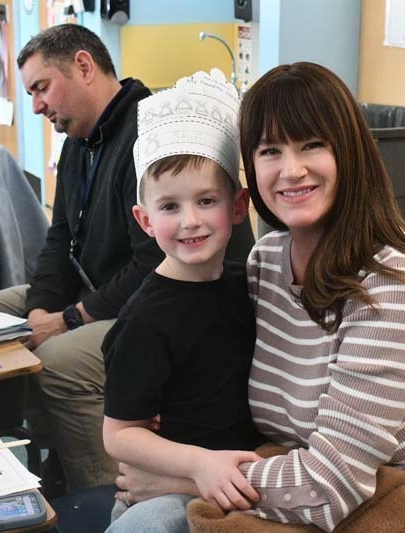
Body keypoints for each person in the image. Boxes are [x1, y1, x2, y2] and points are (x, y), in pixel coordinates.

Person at [114, 62, 405, 533]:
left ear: (350, 151)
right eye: (270, 150)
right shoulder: (266, 262)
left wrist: (186, 478)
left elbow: (329, 484)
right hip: (301, 478)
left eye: (313, 144)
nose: (291, 170)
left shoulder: (398, 283)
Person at [0, 24, 255, 494]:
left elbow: (147, 269)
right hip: (95, 286)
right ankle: (32, 447)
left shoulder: (147, 140)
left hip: (135, 292)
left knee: (58, 360)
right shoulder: (76, 146)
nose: (37, 106)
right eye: (30, 94)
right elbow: (59, 239)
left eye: (42, 87)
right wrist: (39, 309)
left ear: (84, 66)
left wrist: (67, 319)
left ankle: (103, 487)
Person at [101, 70, 262, 533]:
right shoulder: (144, 320)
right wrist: (197, 465)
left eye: (206, 200)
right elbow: (119, 434)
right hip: (171, 489)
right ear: (145, 220)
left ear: (237, 206)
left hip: (247, 480)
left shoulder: (249, 285)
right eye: (170, 206)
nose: (190, 220)